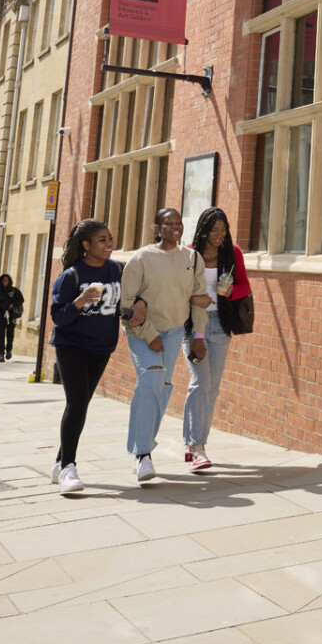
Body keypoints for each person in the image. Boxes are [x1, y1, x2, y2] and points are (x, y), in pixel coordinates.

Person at [49, 219, 143, 496]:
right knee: (76, 403)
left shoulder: (117, 270)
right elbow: (59, 317)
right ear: (86, 245)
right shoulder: (71, 276)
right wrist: (79, 301)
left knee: (81, 405)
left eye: (110, 239)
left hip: (101, 346)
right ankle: (68, 467)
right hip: (72, 345)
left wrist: (138, 304)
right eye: (102, 240)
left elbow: (126, 302)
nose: (109, 244)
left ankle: (58, 461)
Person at [120, 206, 209, 483]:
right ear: (156, 228)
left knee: (162, 387)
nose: (175, 228)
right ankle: (143, 455)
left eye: (179, 223)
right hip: (143, 332)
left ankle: (141, 448)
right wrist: (149, 334)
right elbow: (125, 305)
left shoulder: (192, 258)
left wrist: (197, 338)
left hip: (173, 332)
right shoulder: (141, 258)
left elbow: (198, 299)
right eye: (168, 223)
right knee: (151, 379)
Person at [183, 207, 250, 471]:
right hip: (194, 326)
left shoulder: (232, 253)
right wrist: (192, 298)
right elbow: (179, 288)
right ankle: (196, 446)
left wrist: (231, 290)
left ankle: (195, 445)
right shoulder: (189, 254)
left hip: (220, 325)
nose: (219, 236)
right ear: (203, 229)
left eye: (223, 230)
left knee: (212, 388)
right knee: (200, 382)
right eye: (214, 231)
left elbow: (245, 285)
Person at [0, 274, 24, 362]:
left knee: (10, 333)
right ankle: (1, 354)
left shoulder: (14, 290)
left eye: (7, 280)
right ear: (1, 281)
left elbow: (21, 300)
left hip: (11, 314)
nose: (5, 282)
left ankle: (8, 350)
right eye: (3, 280)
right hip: (1, 314)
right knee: (1, 334)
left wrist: (13, 305)